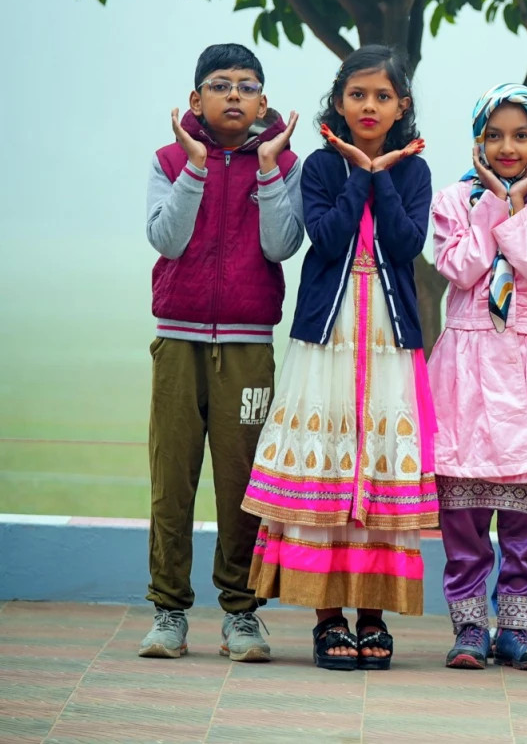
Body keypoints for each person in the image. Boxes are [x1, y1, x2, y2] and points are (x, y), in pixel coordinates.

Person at [240, 45, 438, 671]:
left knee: (377, 465)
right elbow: (325, 240)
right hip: (326, 339)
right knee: (327, 462)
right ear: (339, 102)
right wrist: (358, 171)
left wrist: (383, 174)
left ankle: (373, 616)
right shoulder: (322, 167)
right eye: (358, 95)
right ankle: (328, 620)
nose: (369, 106)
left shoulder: (414, 171)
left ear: (402, 105)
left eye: (383, 96)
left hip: (387, 339)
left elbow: (405, 244)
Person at [140, 43, 301, 662]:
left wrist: (267, 168)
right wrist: (196, 167)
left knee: (242, 484)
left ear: (263, 101)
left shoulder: (283, 162)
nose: (234, 94)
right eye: (219, 84)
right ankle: (169, 611)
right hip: (177, 341)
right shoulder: (168, 160)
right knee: (171, 481)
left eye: (247, 85)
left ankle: (241, 614)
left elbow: (281, 245)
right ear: (195, 98)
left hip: (248, 347)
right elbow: (166, 239)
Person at [429, 84, 527, 671]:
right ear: (478, 140)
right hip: (467, 368)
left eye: (521, 135)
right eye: (494, 135)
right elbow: (460, 267)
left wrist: (519, 206)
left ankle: (519, 630)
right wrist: (495, 204)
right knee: (463, 521)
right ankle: (470, 627)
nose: (508, 147)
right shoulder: (452, 200)